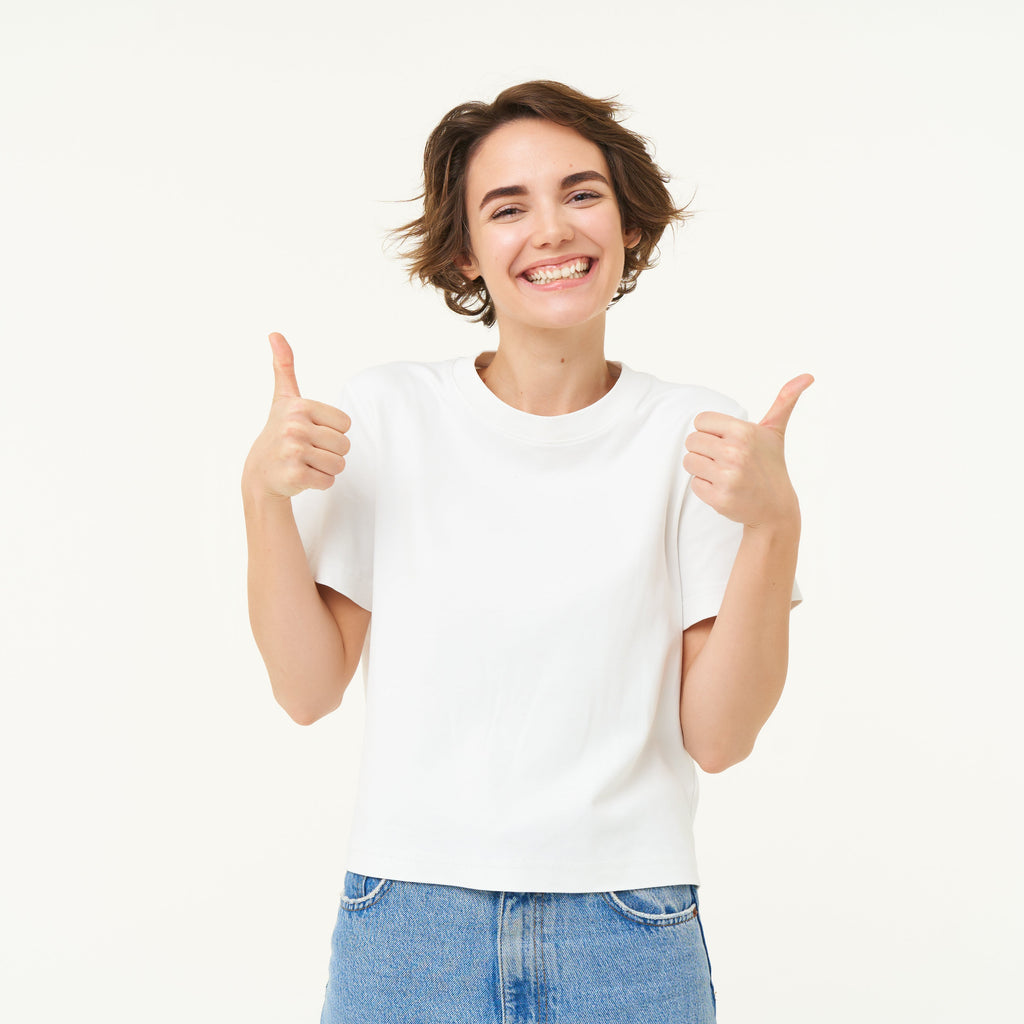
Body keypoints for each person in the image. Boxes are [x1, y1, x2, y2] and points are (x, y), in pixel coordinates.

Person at [242, 80, 810, 1024]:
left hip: (628, 926)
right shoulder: (388, 414)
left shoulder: (698, 435)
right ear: (465, 252)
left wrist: (774, 526)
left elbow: (721, 738)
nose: (551, 229)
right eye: (508, 208)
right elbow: (305, 691)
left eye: (582, 194)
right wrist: (261, 497)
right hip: (409, 922)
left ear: (629, 223)